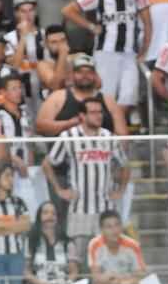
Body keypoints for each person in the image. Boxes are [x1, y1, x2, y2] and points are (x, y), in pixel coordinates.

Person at [42, 96, 130, 261]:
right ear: (82, 116)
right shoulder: (69, 137)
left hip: (105, 209)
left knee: (106, 259)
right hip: (79, 209)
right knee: (77, 259)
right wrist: (59, 190)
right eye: (93, 112)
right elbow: (47, 164)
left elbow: (125, 164)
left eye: (100, 112)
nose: (99, 116)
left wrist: (121, 190)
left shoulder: (109, 137)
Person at [62, 0, 152, 112]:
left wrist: (144, 49)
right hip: (105, 53)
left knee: (129, 97)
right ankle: (110, 131)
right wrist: (91, 26)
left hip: (129, 53)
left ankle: (118, 130)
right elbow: (68, 10)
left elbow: (148, 23)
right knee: (106, 95)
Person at [36, 52, 128, 136]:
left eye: (89, 72)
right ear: (72, 75)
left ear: (95, 75)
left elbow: (123, 135)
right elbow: (40, 127)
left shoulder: (109, 101)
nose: (85, 76)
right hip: (66, 152)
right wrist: (69, 124)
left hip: (102, 152)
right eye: (80, 72)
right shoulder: (57, 97)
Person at [88, 209, 151, 284]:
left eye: (117, 225)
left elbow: (141, 273)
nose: (114, 230)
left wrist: (126, 280)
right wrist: (119, 281)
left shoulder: (133, 245)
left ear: (121, 227)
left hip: (128, 283)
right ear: (102, 230)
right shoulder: (94, 244)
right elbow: (96, 276)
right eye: (109, 227)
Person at [23, 200, 79, 284]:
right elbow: (26, 272)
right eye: (46, 213)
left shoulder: (67, 242)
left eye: (53, 214)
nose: (50, 216)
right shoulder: (31, 240)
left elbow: (74, 271)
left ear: (58, 218)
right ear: (39, 217)